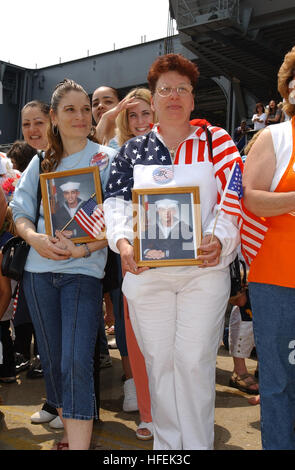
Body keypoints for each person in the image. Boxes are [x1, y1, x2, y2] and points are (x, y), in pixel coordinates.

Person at [103, 53, 242, 450]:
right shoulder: (133, 151)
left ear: (194, 98)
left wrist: (219, 238)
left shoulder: (218, 142)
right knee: (160, 365)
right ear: (155, 97)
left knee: (194, 363)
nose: (174, 96)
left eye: (183, 88)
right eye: (166, 89)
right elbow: (115, 204)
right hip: (149, 275)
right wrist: (124, 244)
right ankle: (167, 449)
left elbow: (232, 197)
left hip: (203, 271)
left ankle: (196, 446)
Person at [11, 78, 116, 450]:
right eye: (70, 109)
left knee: (76, 362)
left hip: (83, 273)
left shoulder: (106, 159)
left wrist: (84, 251)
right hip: (38, 274)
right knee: (54, 363)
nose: (81, 116)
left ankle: (79, 443)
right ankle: (71, 436)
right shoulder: (41, 161)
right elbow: (19, 212)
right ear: (54, 117)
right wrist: (35, 238)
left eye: (86, 108)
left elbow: (120, 221)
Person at [242, 45, 295, 449]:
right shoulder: (274, 136)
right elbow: (251, 198)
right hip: (278, 279)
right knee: (279, 380)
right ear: (289, 89)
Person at [20, 100, 62, 428]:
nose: (33, 130)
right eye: (26, 125)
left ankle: (76, 408)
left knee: (76, 344)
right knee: (47, 339)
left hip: (80, 262)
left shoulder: (75, 155)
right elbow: (19, 212)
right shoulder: (36, 162)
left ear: (52, 119)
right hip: (39, 261)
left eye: (38, 122)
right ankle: (54, 401)